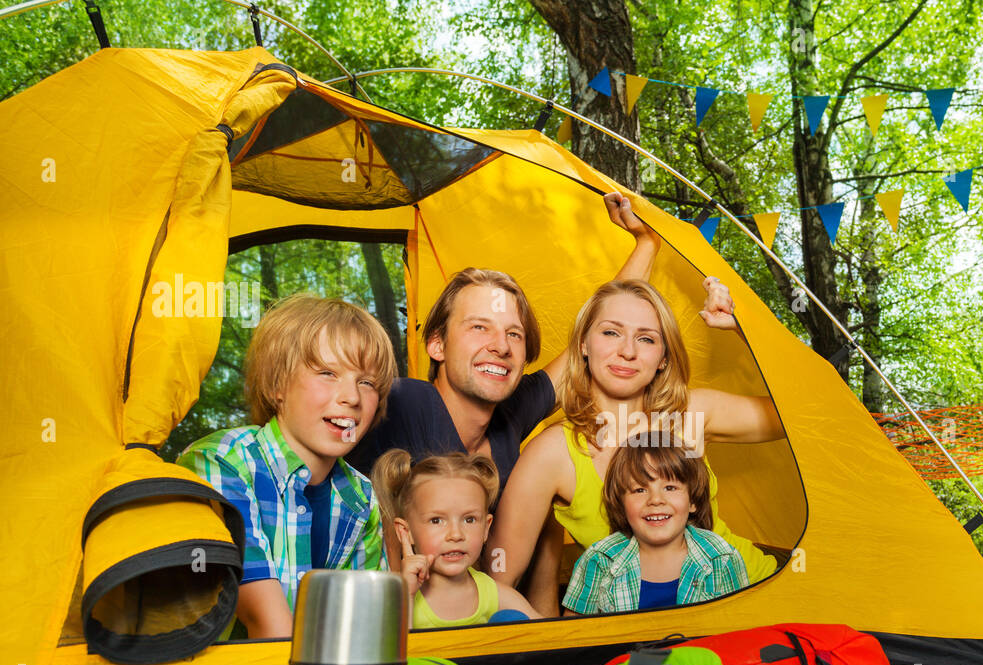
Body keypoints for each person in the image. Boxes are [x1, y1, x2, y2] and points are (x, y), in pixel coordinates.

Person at [487, 278, 785, 614]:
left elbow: (806, 412)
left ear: (662, 358)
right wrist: (550, 646)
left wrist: (746, 329)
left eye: (646, 338)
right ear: (583, 344)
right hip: (645, 633)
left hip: (759, 595)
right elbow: (497, 579)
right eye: (611, 332)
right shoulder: (553, 453)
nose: (627, 351)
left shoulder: (691, 414)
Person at [346, 193, 661, 500]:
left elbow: (596, 331)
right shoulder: (399, 403)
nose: (500, 346)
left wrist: (647, 244)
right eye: (479, 327)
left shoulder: (509, 415)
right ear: (437, 345)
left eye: (514, 334)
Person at [178, 295, 398, 639]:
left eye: (367, 382)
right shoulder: (223, 462)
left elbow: (365, 628)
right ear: (278, 385)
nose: (352, 397)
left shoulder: (360, 496)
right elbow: (270, 627)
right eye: (327, 373)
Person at [563, 437, 748, 615]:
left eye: (670, 488)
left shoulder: (721, 558)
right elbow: (573, 639)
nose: (656, 500)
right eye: (639, 490)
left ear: (693, 500)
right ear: (621, 505)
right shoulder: (600, 561)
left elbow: (739, 632)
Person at [371, 449, 538, 627]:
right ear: (405, 531)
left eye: (469, 519)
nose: (456, 534)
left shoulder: (496, 596)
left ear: (485, 528)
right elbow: (391, 652)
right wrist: (407, 596)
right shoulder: (397, 597)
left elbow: (554, 641)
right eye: (436, 520)